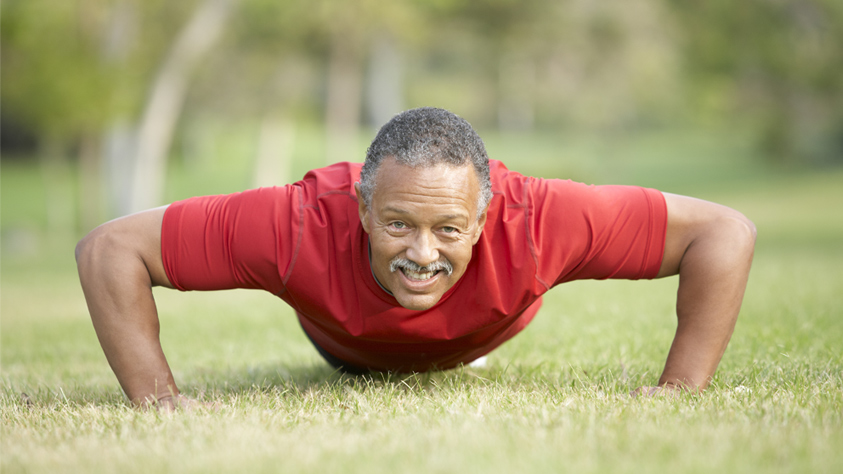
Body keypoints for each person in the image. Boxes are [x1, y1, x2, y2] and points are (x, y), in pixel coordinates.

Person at [76, 107, 756, 409]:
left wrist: (679, 391)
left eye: (450, 230)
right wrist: (157, 401)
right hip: (347, 345)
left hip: (476, 334)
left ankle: (470, 344)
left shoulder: (542, 218)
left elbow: (724, 232)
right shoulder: (294, 222)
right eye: (397, 223)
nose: (422, 252)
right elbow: (109, 248)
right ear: (362, 210)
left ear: (487, 218)